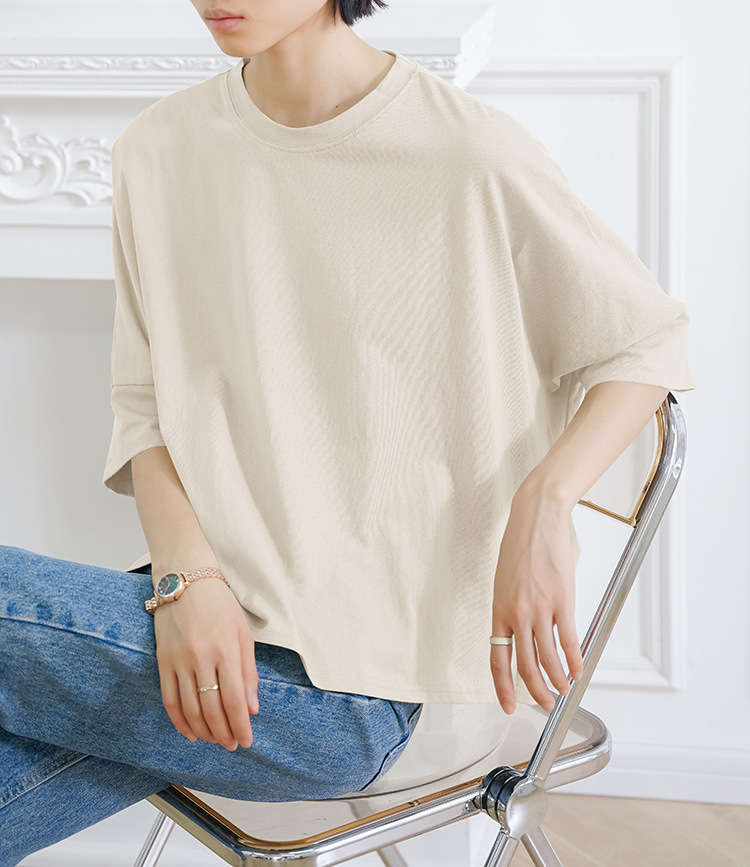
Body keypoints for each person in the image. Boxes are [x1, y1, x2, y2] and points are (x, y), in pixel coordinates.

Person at [0, 0, 695, 860]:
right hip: (207, 628)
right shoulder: (158, 150)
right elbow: (144, 403)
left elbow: (645, 340)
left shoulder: (468, 154)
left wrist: (546, 499)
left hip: (383, 696)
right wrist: (186, 580)